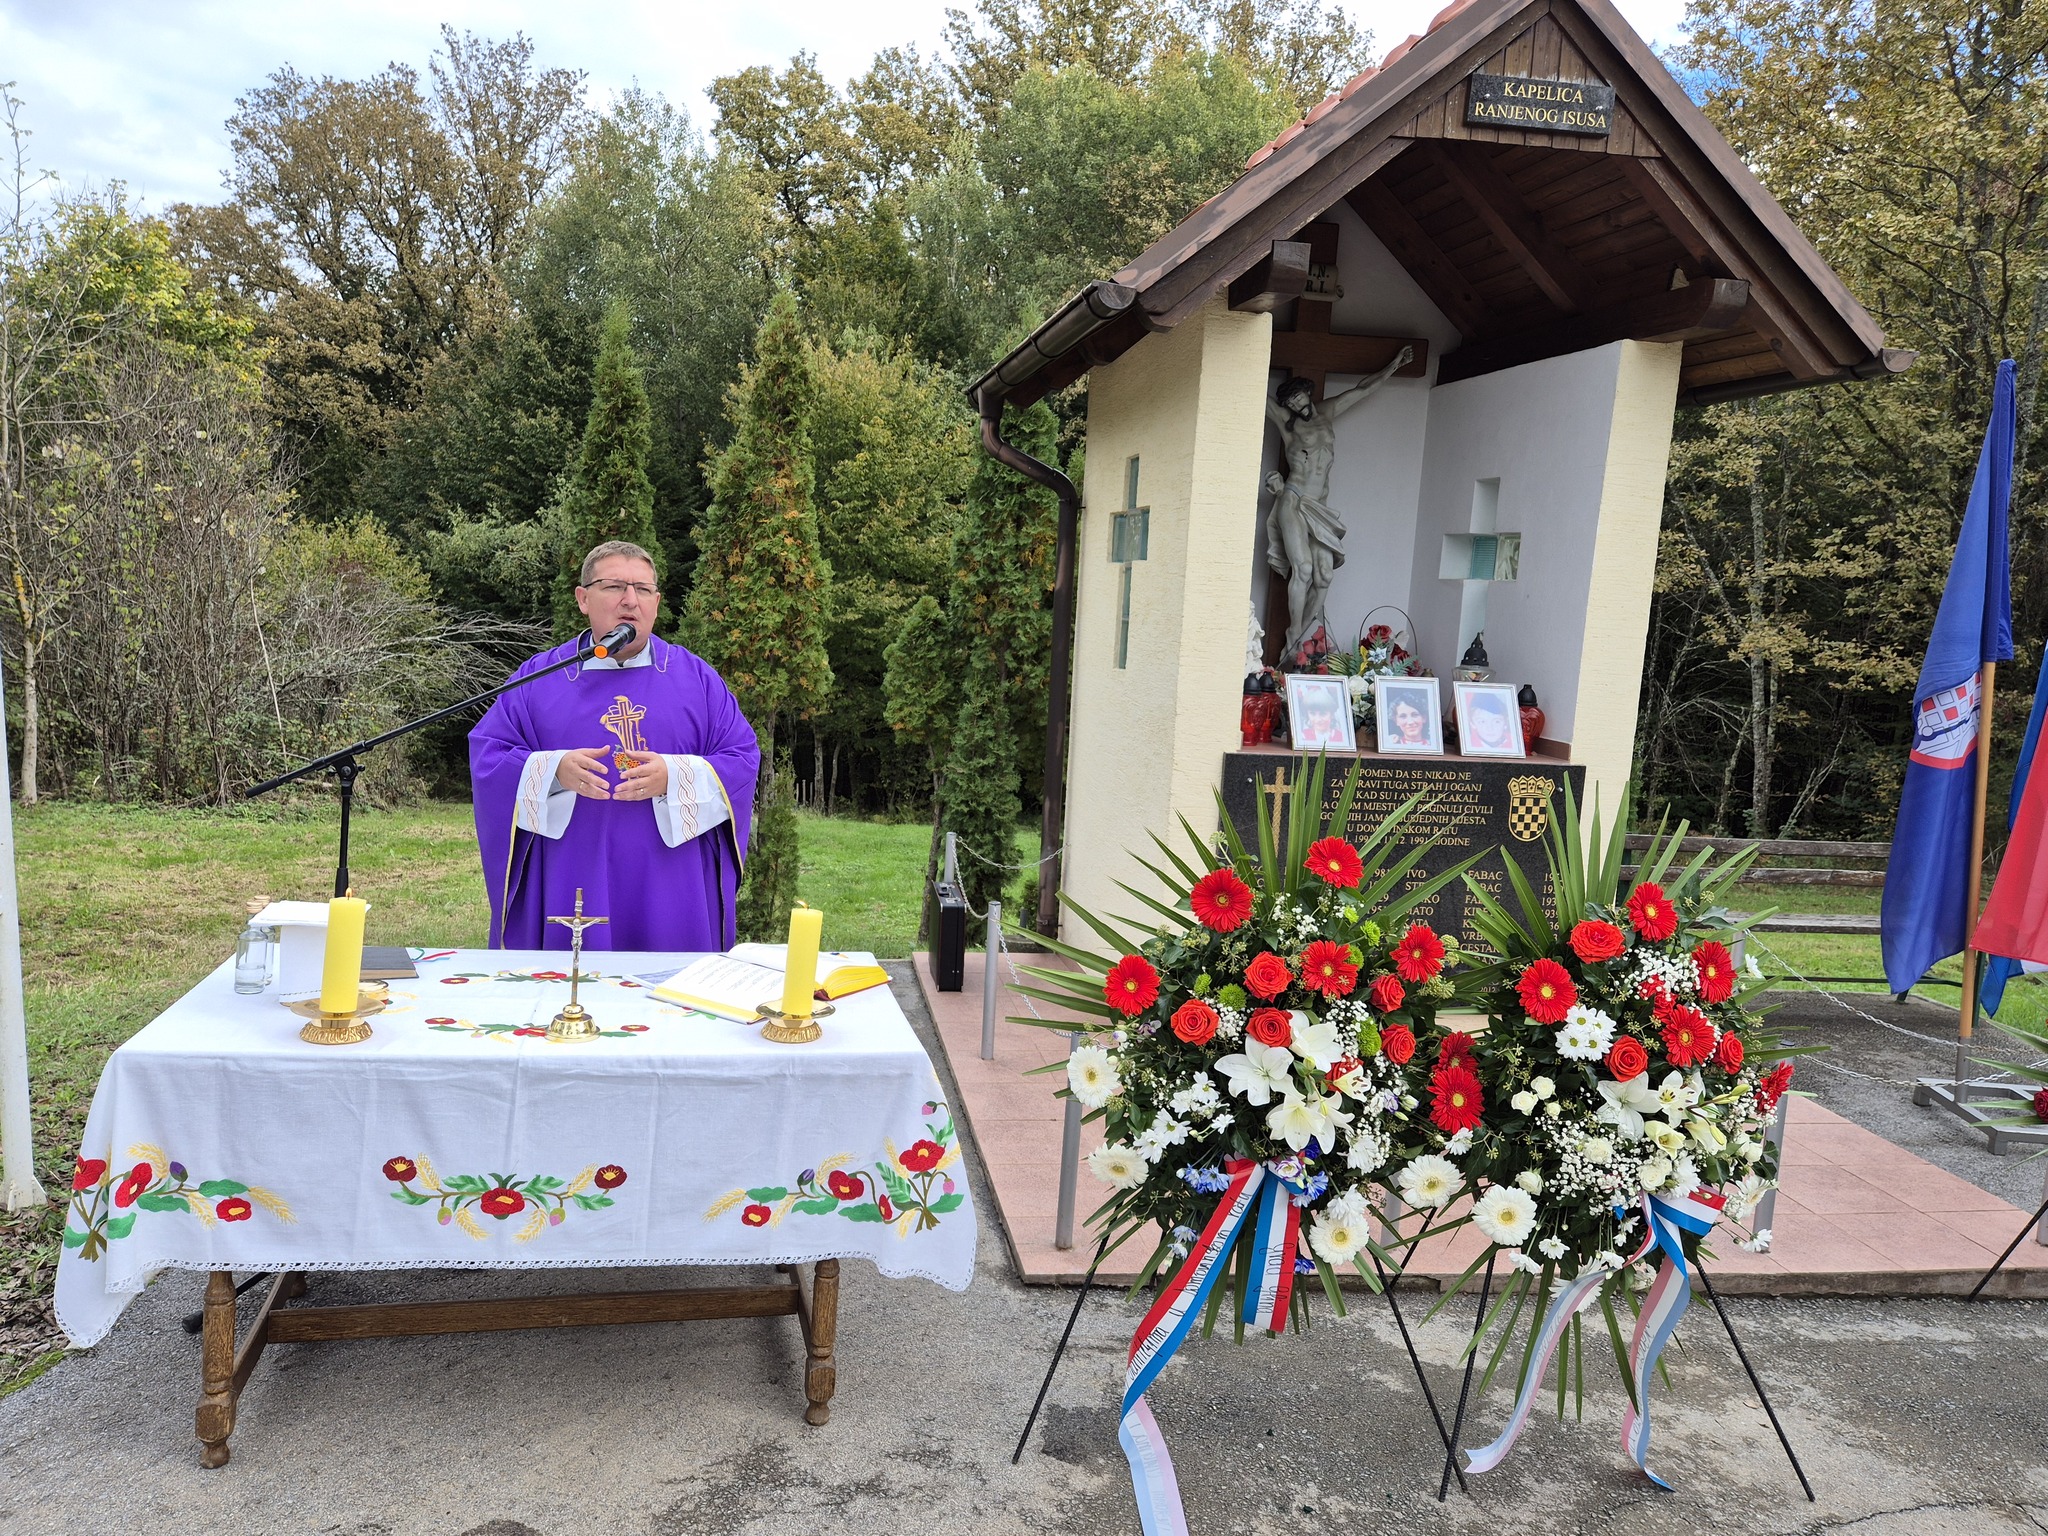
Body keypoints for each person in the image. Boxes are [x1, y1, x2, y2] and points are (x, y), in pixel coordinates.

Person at [469, 541, 760, 952]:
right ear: (583, 599)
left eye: (643, 589)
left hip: (668, 879)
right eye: (614, 587)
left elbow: (741, 759)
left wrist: (675, 776)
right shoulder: (540, 678)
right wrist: (553, 770)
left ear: (656, 603)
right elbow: (489, 756)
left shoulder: (697, 680)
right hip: (572, 868)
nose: (630, 600)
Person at [1262, 345, 1414, 660]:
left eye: (1298, 397)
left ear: (1307, 393)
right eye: (1290, 402)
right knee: (1303, 569)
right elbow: (1259, 397)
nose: (1296, 404)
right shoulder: (1288, 423)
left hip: (1320, 506)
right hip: (1294, 499)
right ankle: (1293, 636)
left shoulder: (1327, 412)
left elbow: (1362, 389)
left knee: (1324, 576)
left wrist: (1394, 365)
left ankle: (1300, 636)